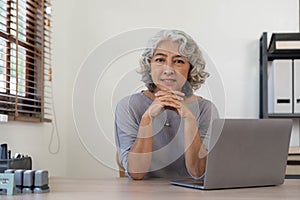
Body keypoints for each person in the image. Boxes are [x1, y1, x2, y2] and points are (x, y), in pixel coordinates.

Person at [115, 29, 219, 180]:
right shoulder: (128, 106)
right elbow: (136, 173)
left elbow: (199, 172)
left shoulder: (205, 109)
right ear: (149, 65)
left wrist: (189, 119)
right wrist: (147, 119)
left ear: (190, 69)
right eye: (160, 60)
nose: (168, 69)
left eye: (178, 61)